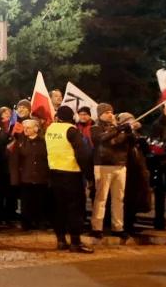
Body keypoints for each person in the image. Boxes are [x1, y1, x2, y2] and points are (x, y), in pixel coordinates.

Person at [46, 106, 93, 253]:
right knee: (75, 209)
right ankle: (75, 242)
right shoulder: (72, 130)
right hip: (71, 174)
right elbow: (83, 154)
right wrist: (89, 175)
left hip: (54, 174)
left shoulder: (50, 129)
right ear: (72, 117)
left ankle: (61, 240)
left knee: (58, 209)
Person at [89, 103, 131, 237]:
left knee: (118, 198)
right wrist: (118, 130)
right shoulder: (95, 128)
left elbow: (127, 142)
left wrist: (129, 132)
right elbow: (101, 139)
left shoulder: (116, 127)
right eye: (106, 112)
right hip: (103, 165)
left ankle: (118, 227)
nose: (110, 114)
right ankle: (97, 227)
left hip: (120, 164)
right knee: (101, 198)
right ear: (100, 114)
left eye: (111, 112)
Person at [9, 119, 50, 231]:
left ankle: (40, 222)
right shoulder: (20, 142)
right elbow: (15, 161)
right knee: (26, 202)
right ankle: (26, 223)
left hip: (41, 178)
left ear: (36, 128)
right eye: (24, 127)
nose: (25, 130)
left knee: (41, 201)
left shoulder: (44, 142)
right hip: (26, 178)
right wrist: (15, 179)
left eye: (28, 127)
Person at [119, 113, 151, 234]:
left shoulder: (138, 135)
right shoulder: (123, 135)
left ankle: (131, 224)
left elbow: (146, 153)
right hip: (127, 171)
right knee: (127, 200)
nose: (134, 122)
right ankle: (125, 225)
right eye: (130, 121)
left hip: (138, 171)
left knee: (135, 200)